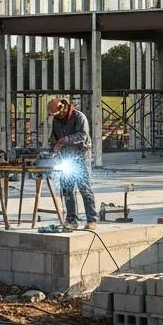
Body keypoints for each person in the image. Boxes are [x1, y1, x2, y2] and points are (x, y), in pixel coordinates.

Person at [48, 97, 97, 231]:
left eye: (58, 114)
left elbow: (83, 135)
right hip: (66, 158)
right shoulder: (56, 120)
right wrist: (53, 148)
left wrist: (66, 139)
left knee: (84, 187)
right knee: (67, 188)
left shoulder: (79, 117)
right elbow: (55, 138)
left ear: (63, 107)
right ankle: (71, 220)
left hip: (81, 156)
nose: (57, 117)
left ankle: (91, 219)